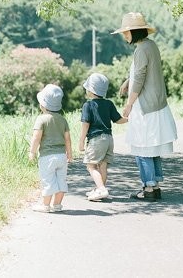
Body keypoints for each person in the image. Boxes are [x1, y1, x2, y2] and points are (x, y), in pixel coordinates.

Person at [112, 12, 178, 201]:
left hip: (144, 106)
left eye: (126, 32)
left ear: (135, 31)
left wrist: (128, 105)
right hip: (155, 103)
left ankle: (148, 189)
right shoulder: (150, 46)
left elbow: (140, 78)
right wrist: (127, 81)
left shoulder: (141, 49)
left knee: (142, 148)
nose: (125, 36)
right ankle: (154, 186)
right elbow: (141, 72)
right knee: (152, 148)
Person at [78, 72, 127, 201]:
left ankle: (101, 189)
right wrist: (129, 118)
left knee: (91, 166)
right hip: (109, 139)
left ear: (90, 90)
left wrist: (81, 141)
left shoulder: (87, 105)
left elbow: (85, 125)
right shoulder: (109, 104)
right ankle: (100, 189)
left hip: (96, 140)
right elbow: (118, 120)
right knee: (103, 166)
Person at [29, 84, 73, 212]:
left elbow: (36, 137)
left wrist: (32, 152)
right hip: (61, 156)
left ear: (42, 105)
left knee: (48, 181)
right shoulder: (63, 120)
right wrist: (69, 154)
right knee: (61, 180)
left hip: (47, 157)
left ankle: (46, 206)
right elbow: (67, 139)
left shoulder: (41, 119)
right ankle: (57, 205)